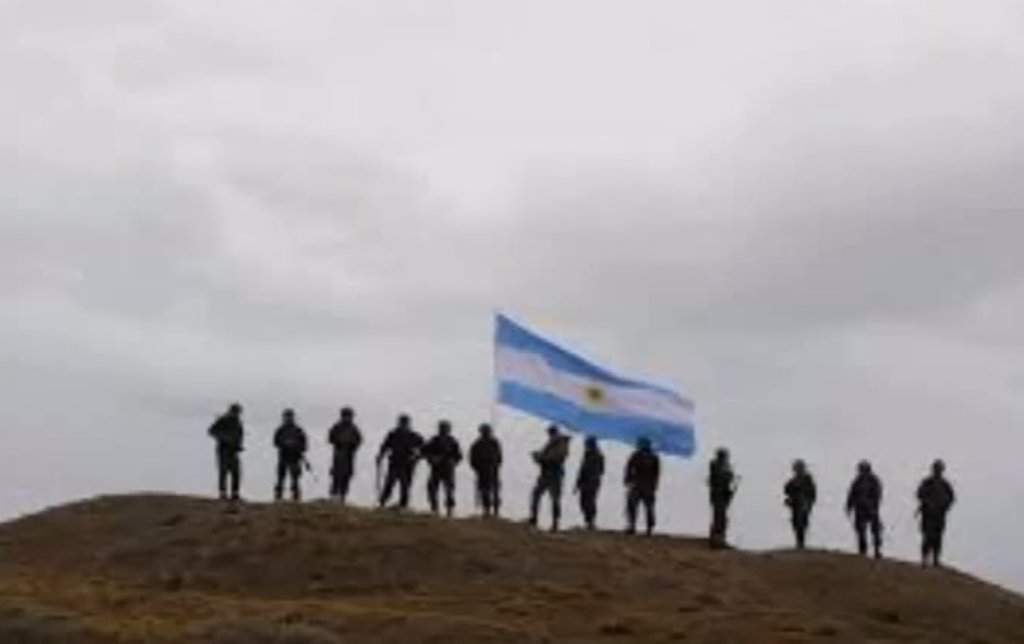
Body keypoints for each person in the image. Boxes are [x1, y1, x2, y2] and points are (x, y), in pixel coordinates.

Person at [376, 414, 425, 510]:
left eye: (405, 423)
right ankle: (382, 502)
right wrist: (380, 456)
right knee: (389, 483)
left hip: (407, 465)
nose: (403, 425)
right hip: (395, 462)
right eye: (402, 423)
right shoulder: (393, 434)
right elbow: (385, 446)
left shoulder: (414, 436)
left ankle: (403, 505)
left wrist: (416, 458)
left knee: (405, 486)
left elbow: (424, 449)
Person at [529, 425, 571, 532]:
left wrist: (539, 458)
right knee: (538, 495)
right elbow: (546, 457)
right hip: (548, 474)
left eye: (550, 433)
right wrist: (538, 457)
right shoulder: (553, 444)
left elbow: (554, 459)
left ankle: (554, 523)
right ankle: (535, 519)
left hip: (553, 475)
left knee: (554, 499)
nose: (549, 436)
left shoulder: (560, 444)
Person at [917, 459, 955, 567]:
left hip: (939, 515)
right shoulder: (927, 482)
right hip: (928, 515)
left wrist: (944, 507)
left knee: (938, 537)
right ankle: (924, 559)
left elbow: (951, 498)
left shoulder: (945, 484)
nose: (938, 471)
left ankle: (936, 560)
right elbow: (920, 494)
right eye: (936, 469)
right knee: (927, 537)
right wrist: (928, 504)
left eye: (939, 469)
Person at [422, 420, 463, 517]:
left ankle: (449, 509)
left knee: (449, 490)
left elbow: (459, 456)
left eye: (445, 428)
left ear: (448, 429)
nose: (443, 430)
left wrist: (453, 461)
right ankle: (434, 508)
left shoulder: (452, 441)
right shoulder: (434, 440)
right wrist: (432, 459)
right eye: (442, 428)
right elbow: (424, 451)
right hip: (436, 468)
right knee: (432, 488)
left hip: (448, 469)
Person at [846, 460, 884, 558]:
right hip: (860, 509)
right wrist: (849, 506)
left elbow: (878, 494)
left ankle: (877, 550)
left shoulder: (874, 480)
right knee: (860, 530)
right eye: (861, 469)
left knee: (875, 530)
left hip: (871, 508)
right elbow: (851, 494)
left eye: (864, 469)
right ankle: (862, 550)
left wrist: (874, 505)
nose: (862, 471)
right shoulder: (857, 481)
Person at [207, 403, 244, 501]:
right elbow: (211, 431)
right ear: (231, 411)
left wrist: (239, 446)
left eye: (238, 412)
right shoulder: (223, 419)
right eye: (235, 412)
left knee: (236, 472)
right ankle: (222, 493)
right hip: (223, 450)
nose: (237, 414)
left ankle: (235, 494)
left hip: (233, 451)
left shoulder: (238, 422)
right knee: (223, 472)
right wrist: (224, 438)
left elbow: (239, 435)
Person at [624, 437, 660, 536]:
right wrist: (654, 485)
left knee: (634, 506)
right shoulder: (653, 456)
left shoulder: (636, 455)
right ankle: (648, 528)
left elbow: (629, 468)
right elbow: (656, 473)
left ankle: (633, 526)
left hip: (638, 484)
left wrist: (628, 480)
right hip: (646, 485)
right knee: (647, 507)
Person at [327, 407, 362, 504]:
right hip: (338, 455)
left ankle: (342, 497)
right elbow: (330, 438)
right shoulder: (337, 427)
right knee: (336, 476)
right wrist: (339, 443)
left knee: (346, 477)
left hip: (349, 456)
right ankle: (333, 496)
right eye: (345, 416)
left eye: (349, 416)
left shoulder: (354, 428)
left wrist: (351, 446)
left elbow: (358, 440)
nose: (347, 418)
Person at [273, 409, 308, 502]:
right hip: (283, 456)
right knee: (281, 477)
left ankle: (295, 496)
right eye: (287, 417)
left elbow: (304, 444)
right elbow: (276, 442)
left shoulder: (298, 430)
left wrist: (296, 446)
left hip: (295, 457)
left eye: (290, 416)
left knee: (295, 478)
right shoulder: (280, 430)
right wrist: (285, 444)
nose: (288, 419)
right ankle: (278, 495)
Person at [469, 423, 502, 517]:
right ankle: (486, 509)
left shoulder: (494, 443)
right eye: (484, 431)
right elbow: (472, 458)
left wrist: (496, 465)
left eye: (487, 431)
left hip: (492, 469)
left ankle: (495, 510)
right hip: (483, 470)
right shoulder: (477, 444)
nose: (486, 433)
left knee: (494, 490)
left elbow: (499, 457)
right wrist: (477, 468)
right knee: (485, 491)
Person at [784, 459, 817, 550]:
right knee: (795, 523)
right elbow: (786, 489)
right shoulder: (793, 480)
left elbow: (812, 493)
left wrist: (809, 503)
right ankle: (799, 543)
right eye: (796, 468)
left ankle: (801, 544)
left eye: (799, 468)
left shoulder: (807, 480)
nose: (797, 470)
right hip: (795, 505)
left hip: (804, 504)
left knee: (801, 523)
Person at [708, 448, 736, 549]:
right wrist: (729, 474)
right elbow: (720, 478)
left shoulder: (722, 466)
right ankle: (716, 540)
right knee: (719, 518)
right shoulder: (716, 466)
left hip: (722, 495)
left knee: (722, 518)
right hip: (718, 495)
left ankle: (719, 539)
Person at [575, 437, 605, 530]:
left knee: (590, 501)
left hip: (592, 482)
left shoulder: (598, 456)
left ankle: (591, 522)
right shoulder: (587, 455)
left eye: (587, 444)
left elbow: (600, 470)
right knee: (583, 501)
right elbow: (582, 469)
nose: (586, 446)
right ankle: (588, 521)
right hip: (585, 482)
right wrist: (578, 482)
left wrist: (592, 478)